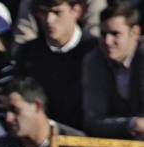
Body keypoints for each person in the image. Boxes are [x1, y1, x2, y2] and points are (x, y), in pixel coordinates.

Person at [81, 2, 144, 147]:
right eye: (104, 34)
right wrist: (130, 123)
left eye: (115, 34)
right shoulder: (94, 62)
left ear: (135, 32)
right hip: (114, 140)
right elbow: (94, 120)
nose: (107, 42)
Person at [12, 0, 99, 130]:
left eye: (57, 12)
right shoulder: (27, 54)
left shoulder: (95, 52)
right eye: (44, 12)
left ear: (76, 11)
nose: (49, 20)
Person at [12, 0, 105, 45]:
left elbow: (95, 37)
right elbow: (23, 39)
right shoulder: (30, 2)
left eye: (57, 13)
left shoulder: (95, 2)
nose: (49, 20)